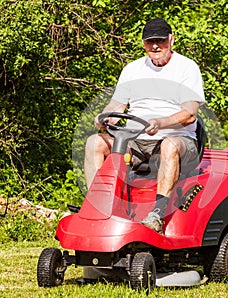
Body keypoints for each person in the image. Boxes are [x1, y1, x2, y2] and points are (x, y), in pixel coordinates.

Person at [84, 18, 205, 233]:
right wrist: (105, 117)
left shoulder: (187, 68)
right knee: (95, 142)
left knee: (169, 144)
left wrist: (161, 122)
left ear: (171, 40)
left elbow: (190, 114)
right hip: (137, 141)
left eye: (160, 40)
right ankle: (99, 208)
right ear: (143, 44)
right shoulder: (132, 70)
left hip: (180, 142)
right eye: (150, 42)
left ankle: (157, 215)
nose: (156, 46)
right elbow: (117, 104)